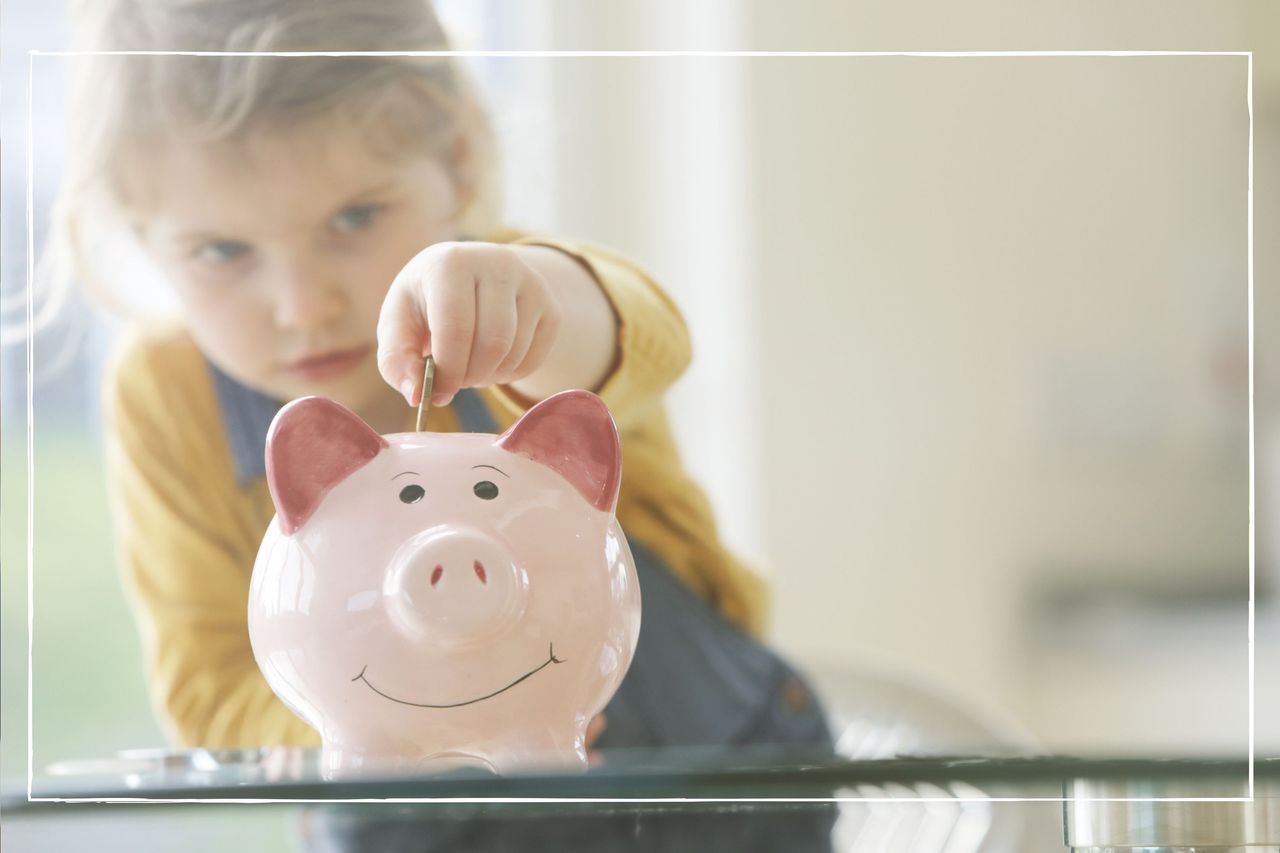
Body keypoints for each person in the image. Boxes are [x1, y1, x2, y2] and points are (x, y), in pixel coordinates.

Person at [56, 0, 832, 759]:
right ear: (142, 237)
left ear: (459, 160)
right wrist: (385, 727)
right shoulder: (166, 393)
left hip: (703, 762)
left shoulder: (518, 299)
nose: (303, 307)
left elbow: (653, 341)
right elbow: (210, 691)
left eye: (356, 218)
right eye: (223, 252)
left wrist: (534, 303)